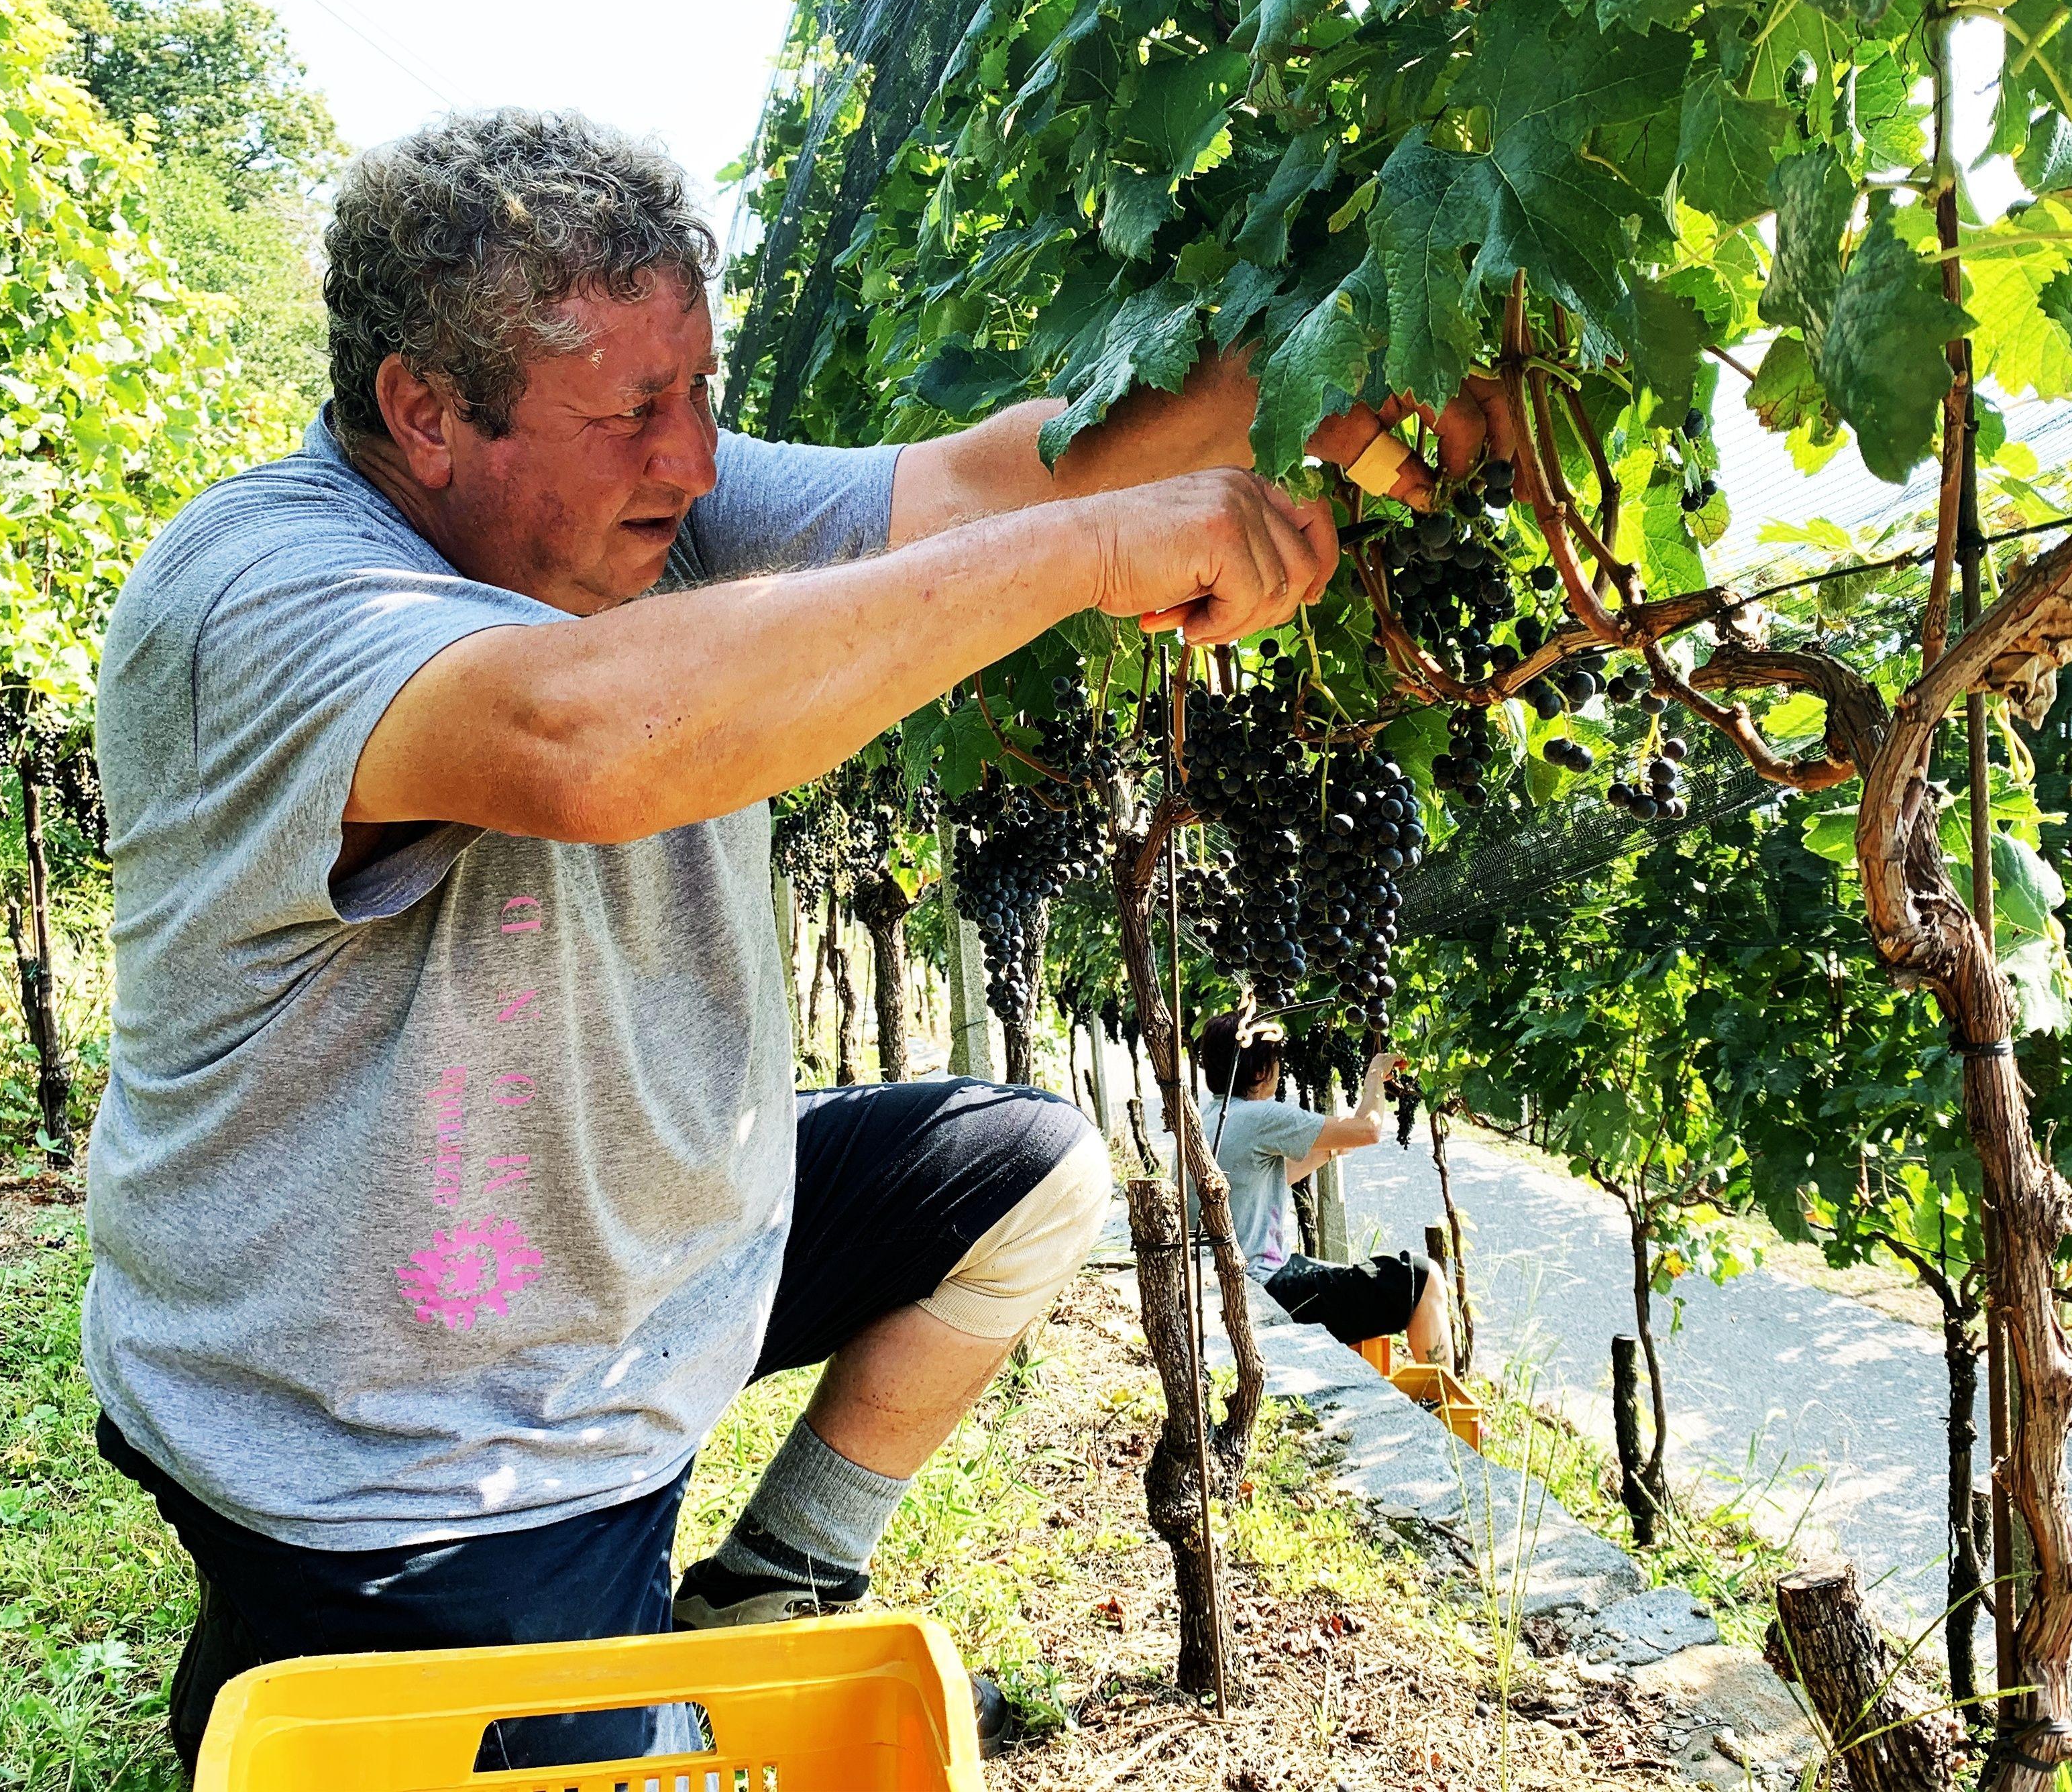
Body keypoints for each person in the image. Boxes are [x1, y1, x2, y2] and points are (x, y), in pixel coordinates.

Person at [83, 108, 1460, 1776]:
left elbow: (977, 479)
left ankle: (769, 1582)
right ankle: (313, 1644)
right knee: (536, 1743)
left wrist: (1328, 358)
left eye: (702, 391)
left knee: (1019, 1170)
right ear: (421, 414)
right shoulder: (259, 590)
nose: (690, 456)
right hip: (409, 1430)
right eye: (633, 411)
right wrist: (1100, 554)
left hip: (620, 1289)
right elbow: (585, 743)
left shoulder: (646, 515)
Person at [1193, 1011, 1450, 1364]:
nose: (1280, 1069)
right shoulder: (1261, 1117)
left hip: (1223, 1284)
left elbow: (1265, 1179)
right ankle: (1441, 1411)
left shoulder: (1209, 1119)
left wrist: (1331, 1145)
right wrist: (1376, 1074)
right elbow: (1368, 1130)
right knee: (1423, 1278)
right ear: (1258, 1072)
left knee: (1336, 1272)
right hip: (1265, 1289)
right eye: (1276, 1061)